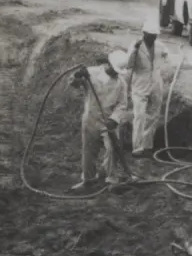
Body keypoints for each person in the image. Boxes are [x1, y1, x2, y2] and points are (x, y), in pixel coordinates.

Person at [70, 50, 131, 191]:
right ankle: (88, 181)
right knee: (89, 151)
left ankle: (111, 180)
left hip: (108, 121)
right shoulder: (91, 73)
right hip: (90, 118)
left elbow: (122, 104)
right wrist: (77, 76)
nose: (116, 74)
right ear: (108, 64)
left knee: (112, 149)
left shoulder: (121, 83)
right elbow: (73, 84)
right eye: (114, 70)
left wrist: (114, 119)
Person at [127, 19, 168, 156]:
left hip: (155, 83)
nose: (152, 38)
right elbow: (129, 65)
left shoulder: (160, 46)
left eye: (154, 35)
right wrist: (134, 51)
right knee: (139, 115)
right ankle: (137, 148)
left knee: (154, 114)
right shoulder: (135, 46)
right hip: (140, 84)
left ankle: (148, 145)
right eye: (150, 35)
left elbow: (166, 56)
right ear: (144, 33)